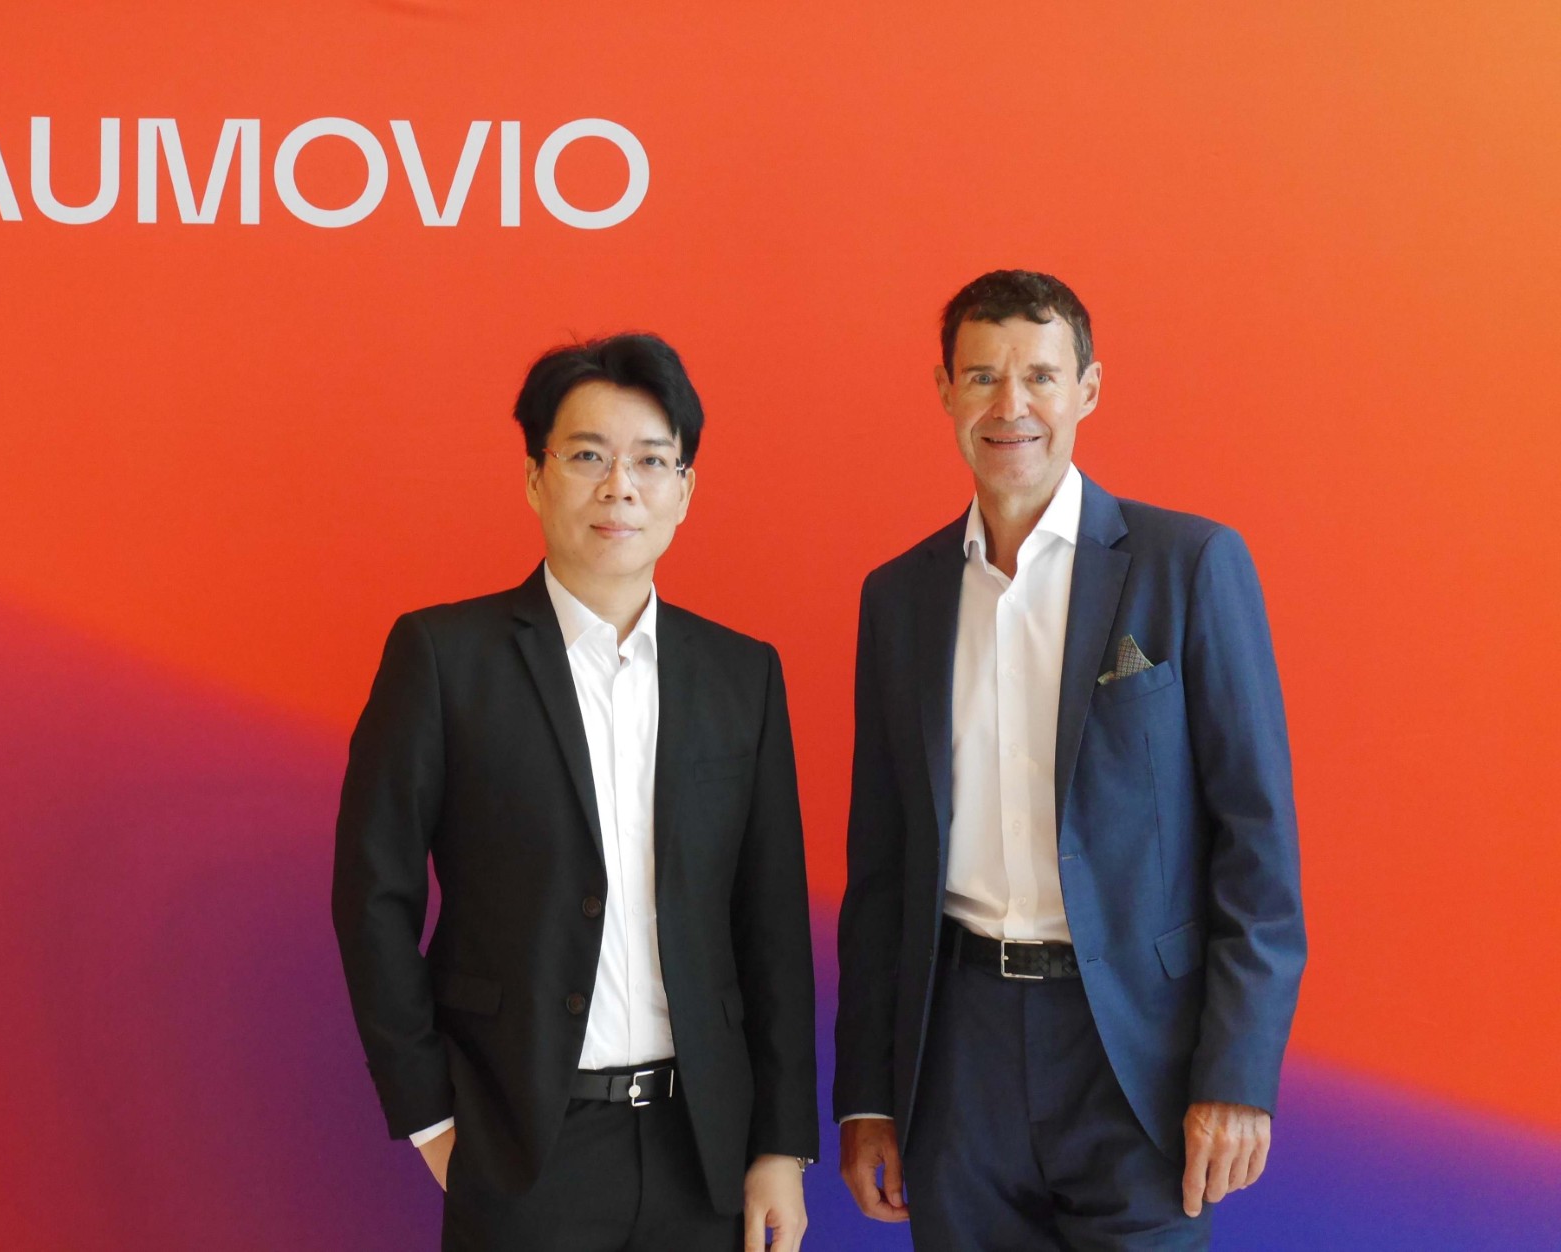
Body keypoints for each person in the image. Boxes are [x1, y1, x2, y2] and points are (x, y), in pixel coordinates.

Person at [833, 271, 1306, 1249]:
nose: (1011, 406)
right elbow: (879, 872)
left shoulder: (1189, 565)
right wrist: (868, 1095)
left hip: (1136, 1053)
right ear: (945, 391)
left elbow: (1257, 847)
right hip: (956, 1056)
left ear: (1088, 389)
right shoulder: (899, 597)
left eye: (1041, 377)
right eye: (982, 377)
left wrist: (1237, 1074)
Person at [332, 333, 818, 1251]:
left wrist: (780, 1146)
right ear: (535, 477)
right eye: (589, 456)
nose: (619, 487)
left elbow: (772, 924)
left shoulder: (740, 674)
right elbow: (372, 895)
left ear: (685, 489)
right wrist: (429, 1117)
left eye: (651, 461)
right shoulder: (443, 658)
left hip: (701, 1149)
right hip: (523, 1148)